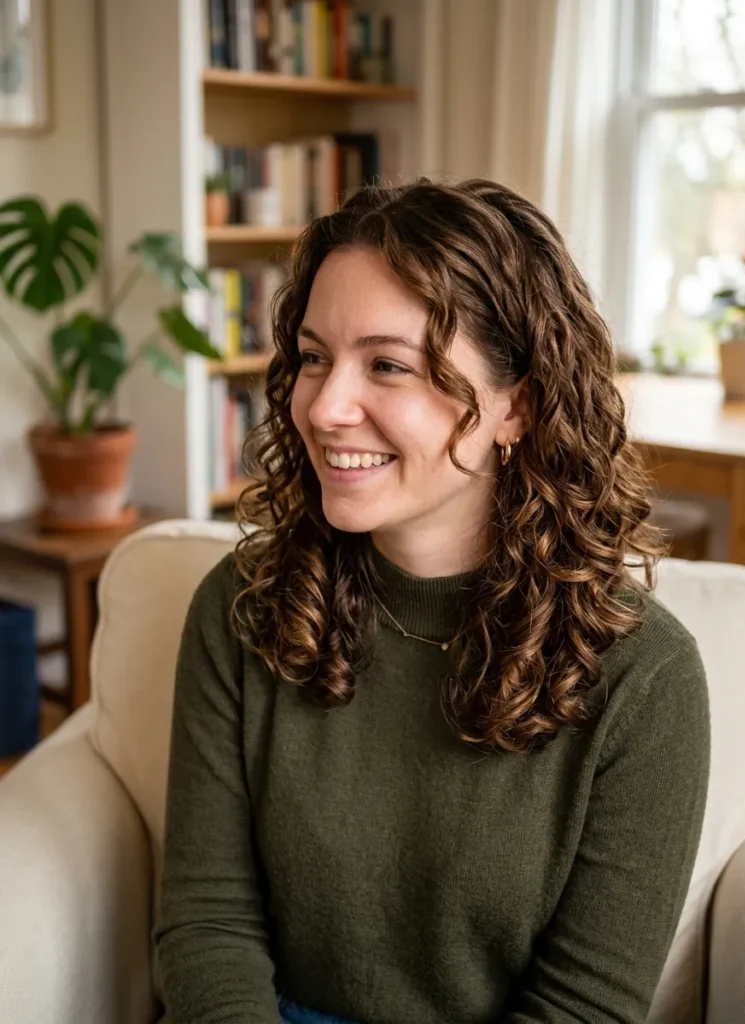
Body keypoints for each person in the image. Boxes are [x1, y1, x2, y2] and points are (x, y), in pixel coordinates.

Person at [155, 178, 710, 1024]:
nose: (326, 407)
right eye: (312, 357)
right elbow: (207, 924)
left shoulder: (644, 677)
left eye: (388, 365)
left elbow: (584, 1006)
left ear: (514, 405)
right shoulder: (241, 607)